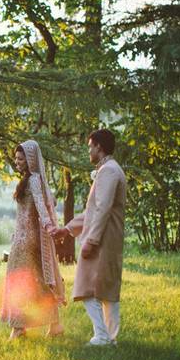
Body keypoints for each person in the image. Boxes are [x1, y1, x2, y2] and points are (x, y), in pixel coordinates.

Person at [52, 129, 126, 347]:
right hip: (106, 236)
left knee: (87, 288)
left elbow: (102, 209)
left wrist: (91, 241)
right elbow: (92, 211)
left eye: (90, 147)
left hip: (103, 238)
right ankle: (109, 337)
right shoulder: (109, 169)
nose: (89, 151)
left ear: (99, 147)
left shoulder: (109, 171)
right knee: (104, 288)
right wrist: (66, 230)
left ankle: (103, 336)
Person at [0, 140, 66, 340]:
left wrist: (49, 226)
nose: (17, 162)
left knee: (19, 281)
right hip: (24, 239)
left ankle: (19, 329)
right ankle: (55, 325)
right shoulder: (32, 180)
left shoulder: (34, 180)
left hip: (26, 242)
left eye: (20, 159)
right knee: (38, 281)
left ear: (30, 160)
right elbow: (49, 200)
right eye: (16, 158)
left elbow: (42, 206)